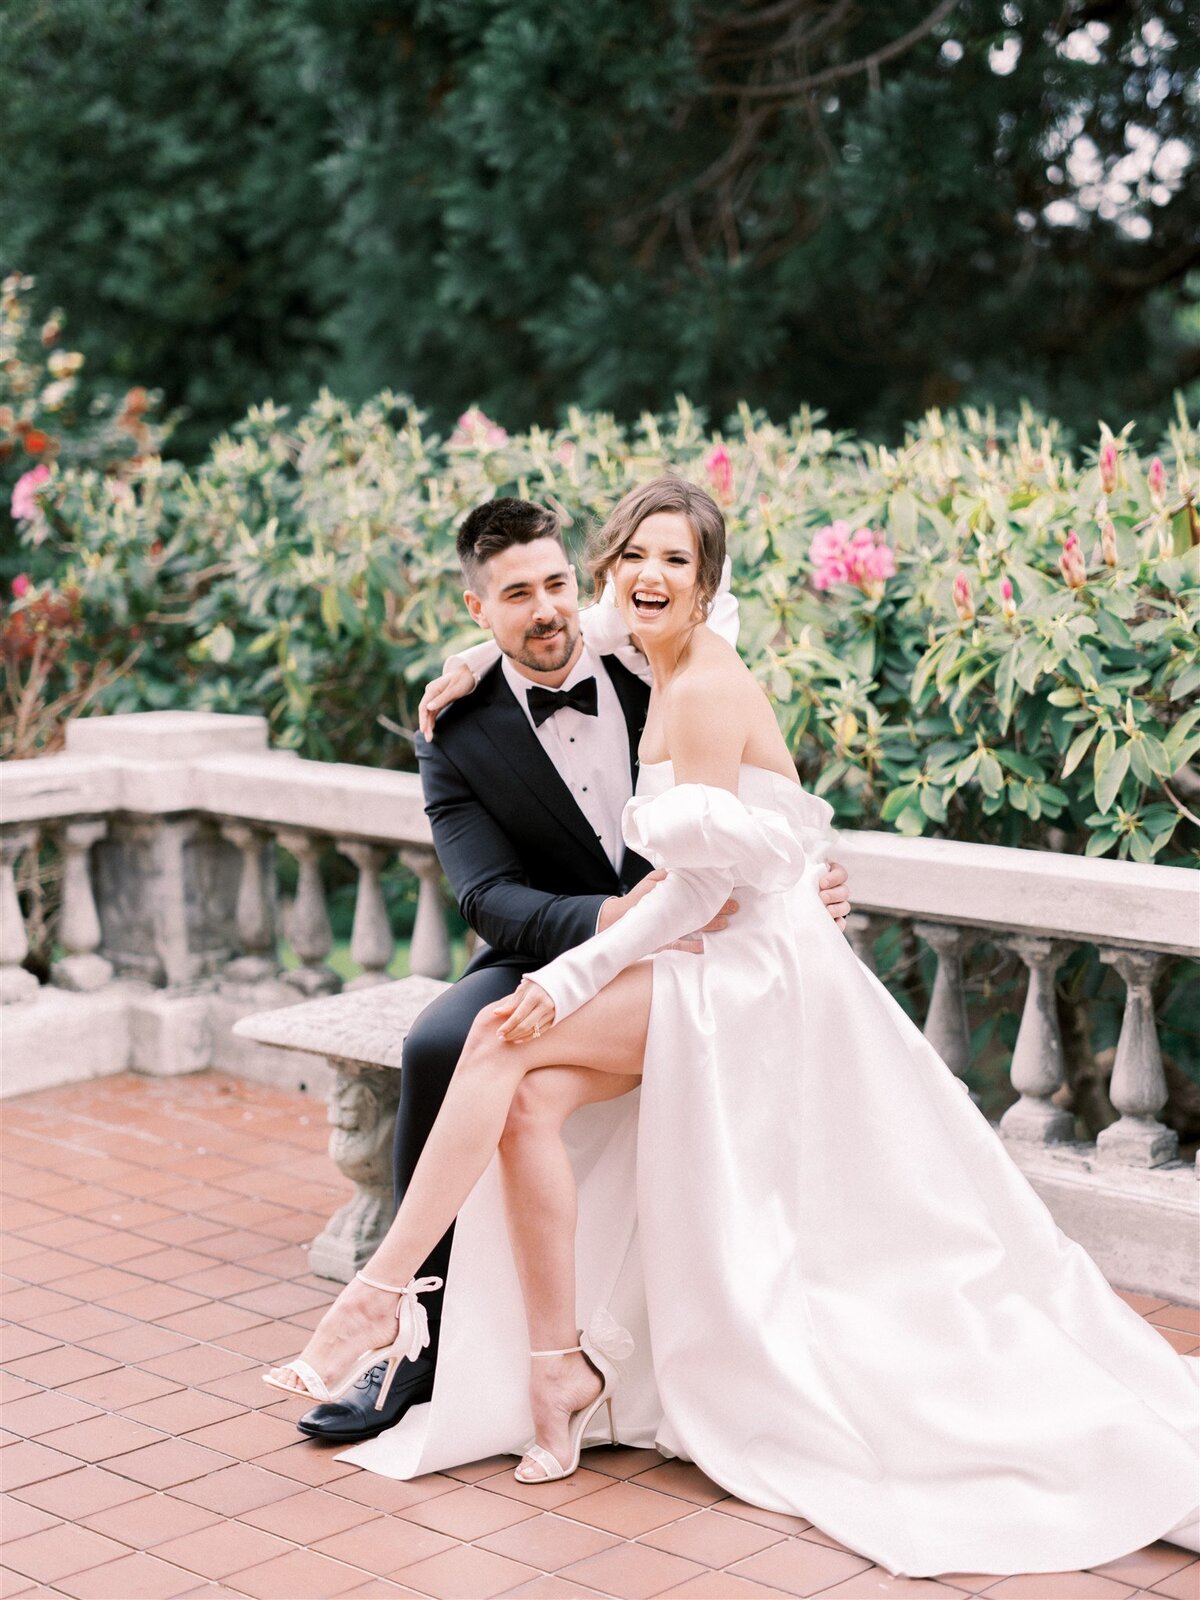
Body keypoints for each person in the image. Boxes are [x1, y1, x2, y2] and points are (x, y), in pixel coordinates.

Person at [267, 478, 1199, 1578]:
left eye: (671, 563)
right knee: (525, 1100)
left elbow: (690, 894)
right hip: (677, 941)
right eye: (630, 561)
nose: (639, 582)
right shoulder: (596, 646)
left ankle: (378, 1296)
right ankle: (554, 1368)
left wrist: (587, 974)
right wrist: (474, 666)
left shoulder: (694, 681)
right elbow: (535, 835)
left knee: (498, 1045)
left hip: (734, 965)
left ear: (707, 585)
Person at [291, 494, 852, 1445]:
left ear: (579, 584)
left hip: (695, 938)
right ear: (480, 610)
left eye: (556, 584)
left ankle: (413, 1310)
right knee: (438, 1043)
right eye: (515, 596)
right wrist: (599, 921)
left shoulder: (644, 650)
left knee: (501, 1054)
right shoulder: (457, 732)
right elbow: (482, 895)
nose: (545, 610)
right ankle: (412, 1351)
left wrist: (795, 883)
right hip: (557, 936)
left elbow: (748, 792)